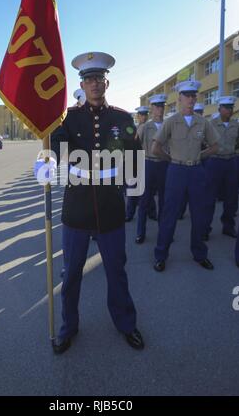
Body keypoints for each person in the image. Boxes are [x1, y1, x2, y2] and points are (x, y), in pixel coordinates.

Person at [50, 51, 144, 353]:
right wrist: (49, 137)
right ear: (82, 83)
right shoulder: (69, 119)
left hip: (110, 212)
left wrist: (123, 174)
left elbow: (135, 158)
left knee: (117, 272)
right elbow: (54, 151)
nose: (93, 83)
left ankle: (126, 323)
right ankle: (68, 327)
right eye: (88, 79)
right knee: (72, 274)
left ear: (107, 82)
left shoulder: (121, 118)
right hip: (76, 213)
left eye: (98, 78)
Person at [152, 80, 219, 272]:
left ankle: (200, 254)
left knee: (199, 214)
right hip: (176, 171)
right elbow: (156, 148)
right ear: (179, 98)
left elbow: (215, 146)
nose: (191, 99)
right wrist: (171, 159)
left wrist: (200, 156)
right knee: (169, 215)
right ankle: (161, 255)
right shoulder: (171, 122)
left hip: (197, 171)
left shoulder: (202, 122)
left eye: (193, 95)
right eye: (187, 95)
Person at [204, 96, 239, 240]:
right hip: (215, 162)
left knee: (231, 197)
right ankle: (205, 228)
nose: (229, 110)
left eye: (231, 108)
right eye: (226, 108)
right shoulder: (210, 124)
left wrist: (229, 149)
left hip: (231, 162)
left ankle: (228, 226)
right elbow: (203, 141)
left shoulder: (236, 125)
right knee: (209, 197)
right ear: (219, 109)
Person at [135, 94, 169, 244]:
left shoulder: (169, 125)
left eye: (162, 106)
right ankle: (140, 233)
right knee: (144, 201)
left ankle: (164, 232)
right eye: (156, 106)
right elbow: (136, 146)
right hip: (148, 164)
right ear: (152, 109)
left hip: (164, 164)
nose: (159, 109)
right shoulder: (145, 127)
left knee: (164, 201)